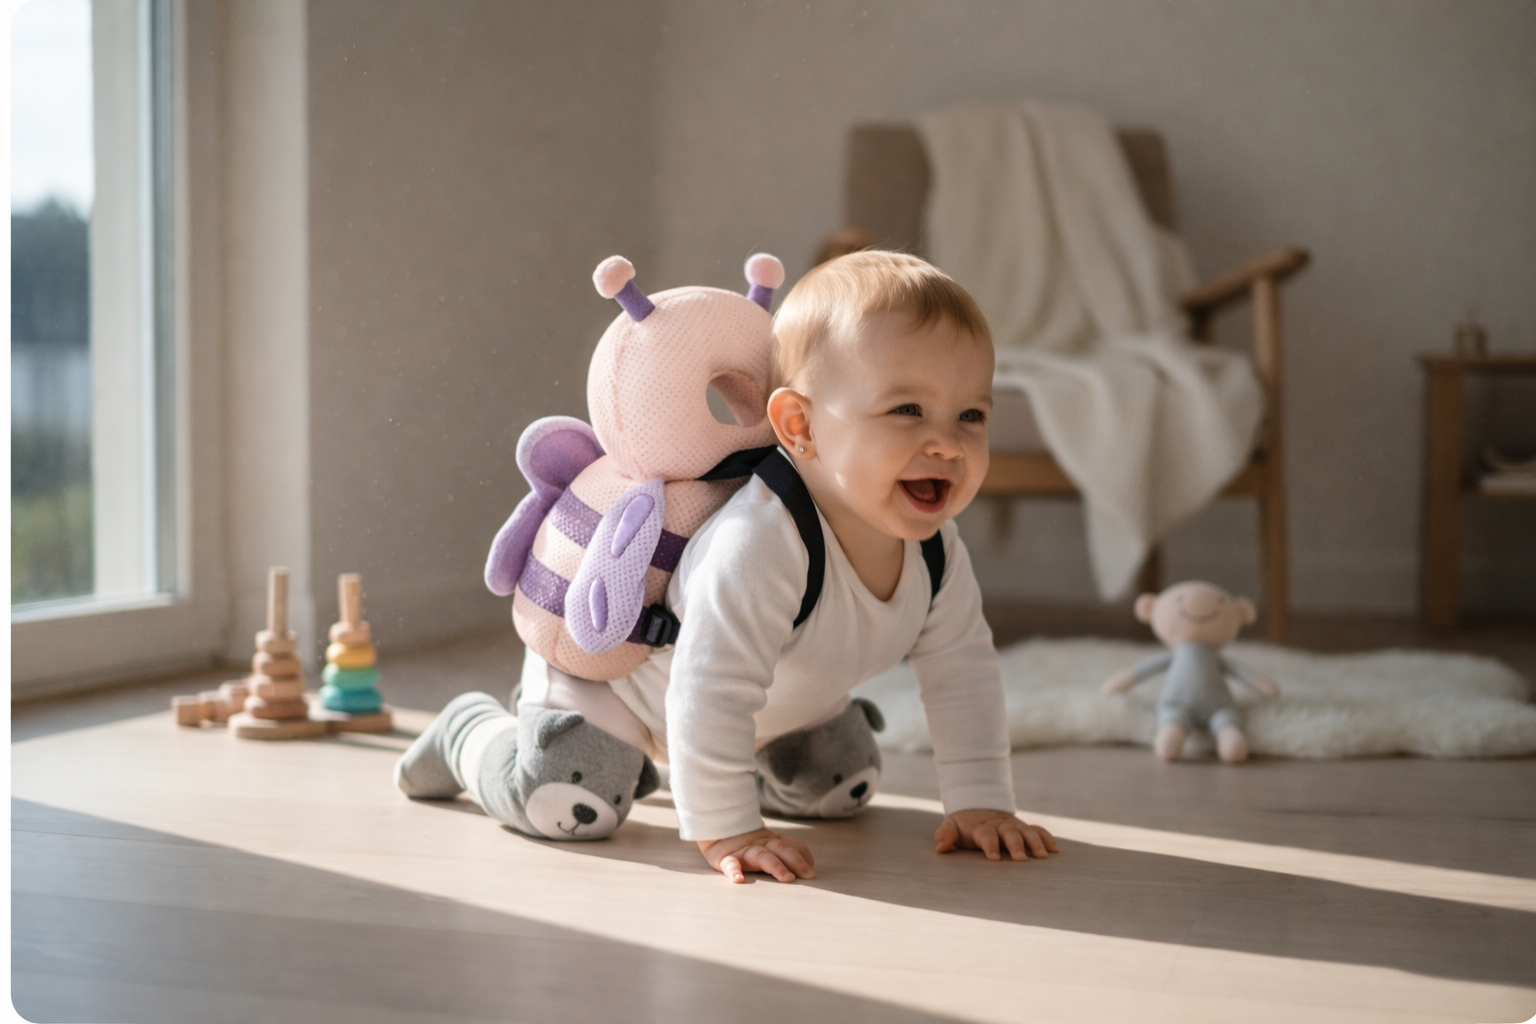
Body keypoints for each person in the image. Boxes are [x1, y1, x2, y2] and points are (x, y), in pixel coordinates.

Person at [397, 250, 1059, 882]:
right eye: (907, 410)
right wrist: (727, 828)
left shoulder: (937, 552)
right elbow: (707, 688)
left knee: (839, 788)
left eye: (971, 415)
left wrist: (979, 801)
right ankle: (473, 732)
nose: (947, 443)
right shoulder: (762, 542)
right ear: (798, 427)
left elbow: (962, 671)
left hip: (772, 711)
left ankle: (742, 765)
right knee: (570, 803)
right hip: (624, 692)